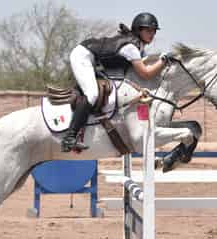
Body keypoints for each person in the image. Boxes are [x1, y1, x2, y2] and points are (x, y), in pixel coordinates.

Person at [61, 12, 173, 152]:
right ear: (139, 30)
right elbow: (145, 74)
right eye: (148, 30)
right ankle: (69, 138)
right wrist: (163, 61)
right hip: (83, 56)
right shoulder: (131, 48)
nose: (152, 34)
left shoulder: (138, 46)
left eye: (154, 31)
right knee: (92, 94)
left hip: (93, 59)